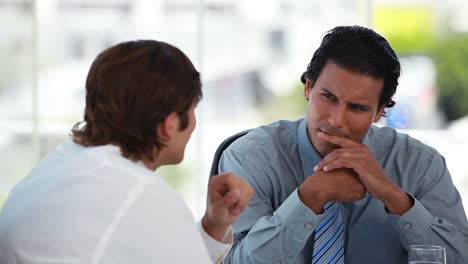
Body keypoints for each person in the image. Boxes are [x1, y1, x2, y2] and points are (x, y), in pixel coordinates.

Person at [219, 25, 468, 264]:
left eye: (357, 108)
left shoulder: (420, 164)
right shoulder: (251, 156)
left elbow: (459, 258)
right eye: (328, 97)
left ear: (380, 112)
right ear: (308, 86)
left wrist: (394, 197)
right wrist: (308, 198)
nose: (336, 120)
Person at [0, 40, 254, 264]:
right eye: (192, 110)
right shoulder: (143, 196)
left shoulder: (59, 165)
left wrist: (213, 225)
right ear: (169, 125)